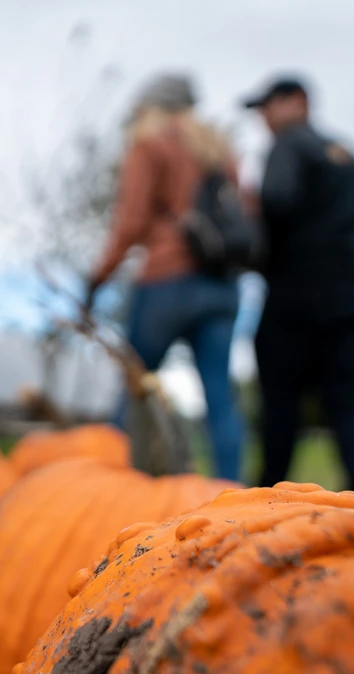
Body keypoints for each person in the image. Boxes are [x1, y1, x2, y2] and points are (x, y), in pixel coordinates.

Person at [84, 72, 245, 482]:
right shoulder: (220, 149)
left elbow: (131, 223)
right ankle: (233, 495)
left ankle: (108, 481)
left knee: (136, 387)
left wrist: (96, 279)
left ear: (152, 106)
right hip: (222, 284)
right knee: (219, 397)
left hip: (167, 281)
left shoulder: (150, 143)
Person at [241, 75, 354, 505]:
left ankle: (263, 500)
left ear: (297, 101)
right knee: (348, 403)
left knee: (280, 405)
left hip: (295, 296)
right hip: (351, 296)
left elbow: (277, 201)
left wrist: (249, 213)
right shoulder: (350, 157)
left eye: (267, 106)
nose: (264, 118)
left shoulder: (289, 145)